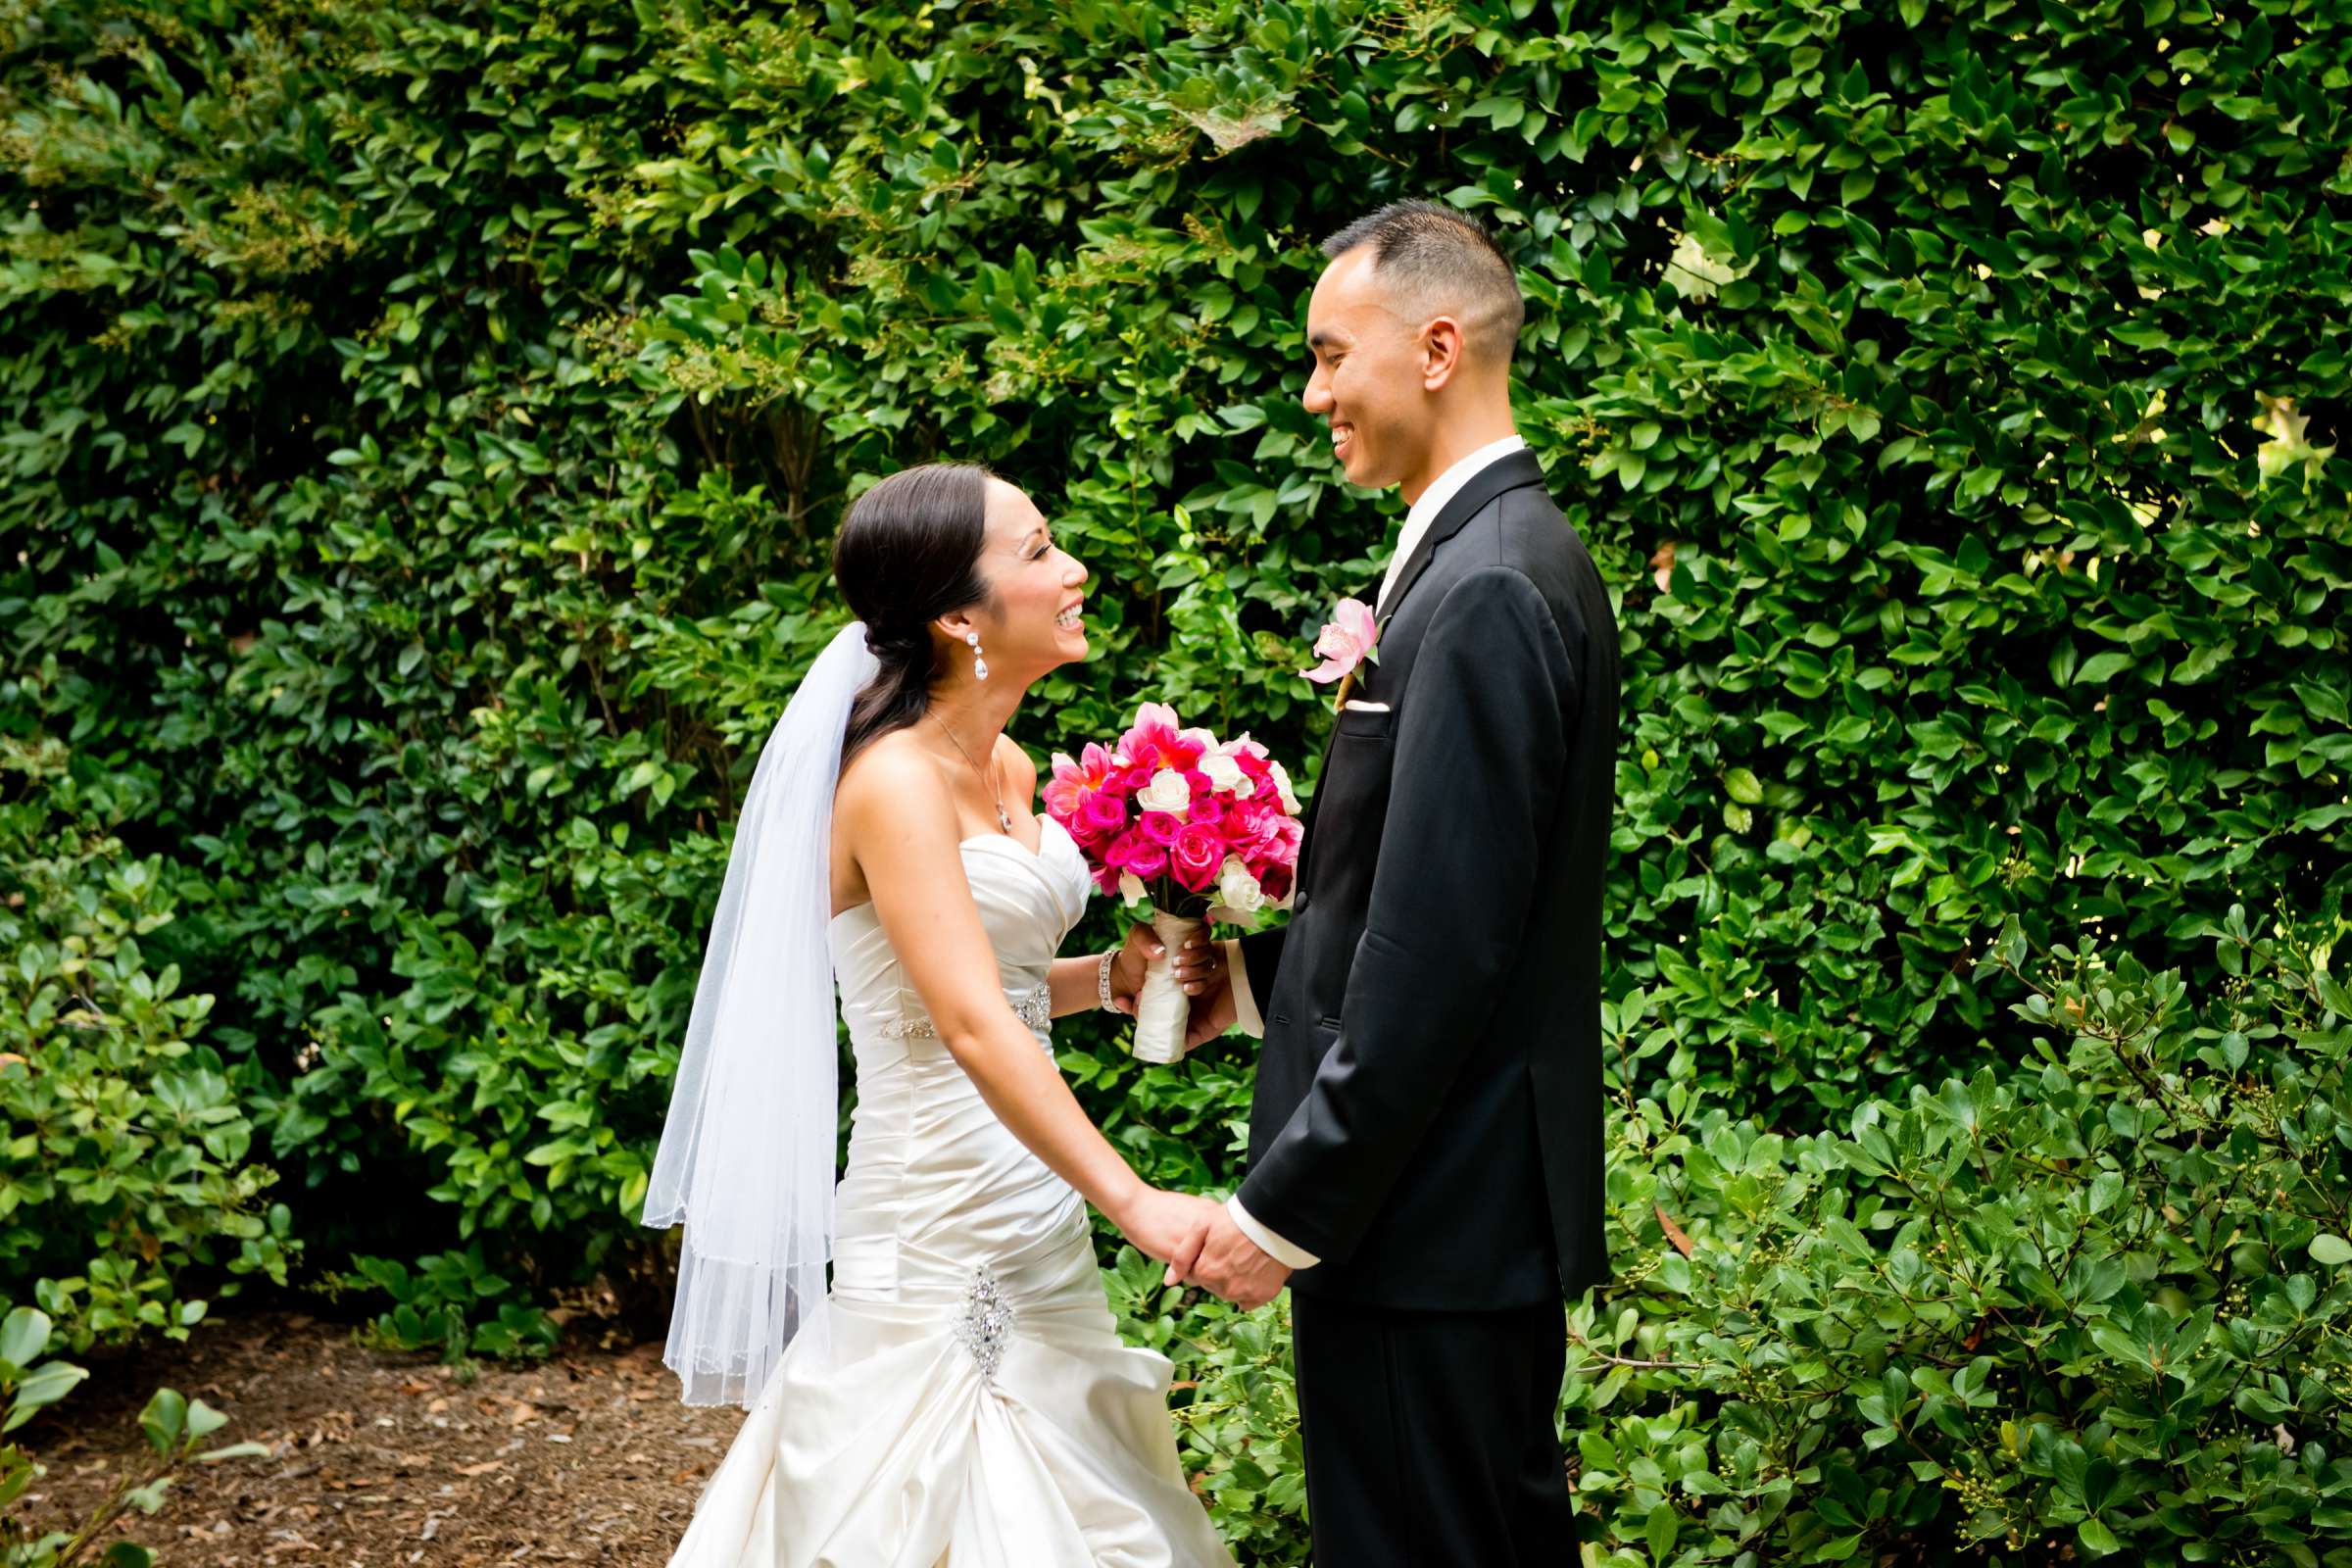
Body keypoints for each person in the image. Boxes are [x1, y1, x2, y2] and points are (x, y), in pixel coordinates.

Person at [645, 462, 1235, 1567]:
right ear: (960, 615)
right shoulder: (893, 783)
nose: (1075, 571)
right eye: (1040, 551)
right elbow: (966, 1026)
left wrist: (1109, 974)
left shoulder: (1008, 763)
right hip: (932, 1226)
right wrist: (1137, 1202)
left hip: (1032, 1222)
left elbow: (989, 982)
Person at [1180, 200, 1622, 1566]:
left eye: (1328, 356)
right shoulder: (1485, 554)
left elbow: (1440, 958)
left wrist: (1286, 1207)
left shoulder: (1487, 583)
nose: (1314, 393)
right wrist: (1247, 985)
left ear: (1436, 347)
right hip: (1449, 1221)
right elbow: (1413, 895)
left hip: (1424, 1225)